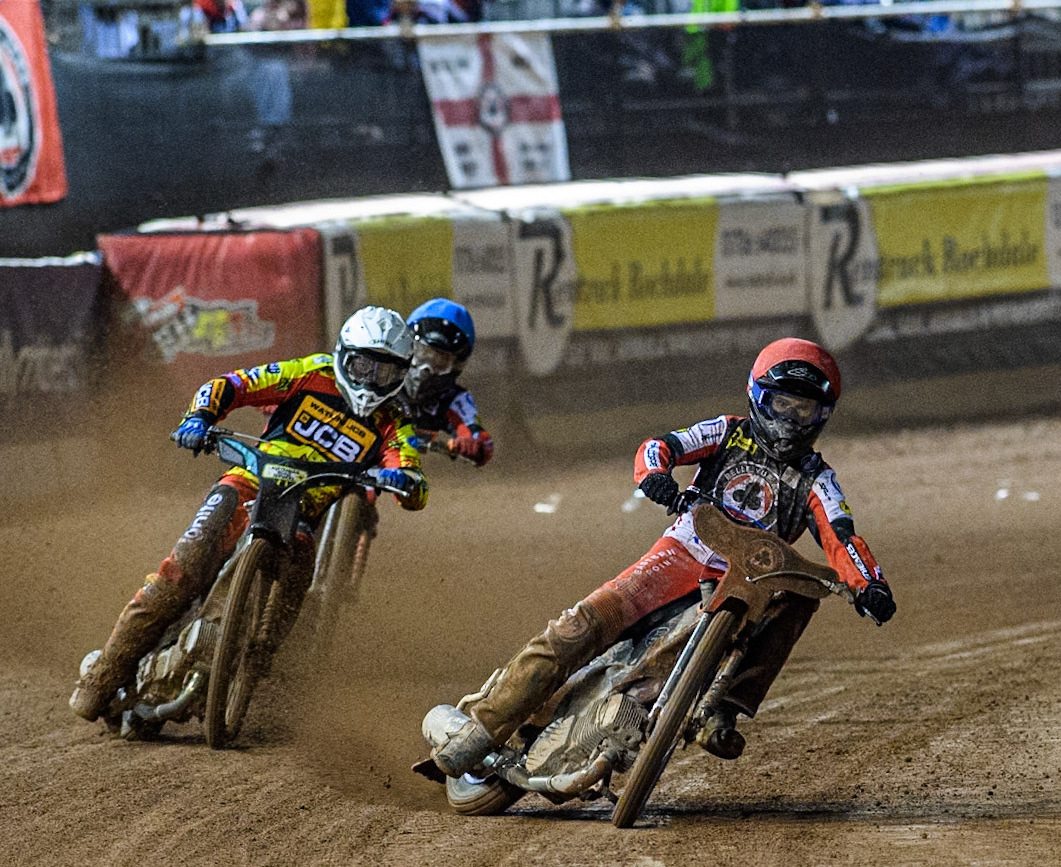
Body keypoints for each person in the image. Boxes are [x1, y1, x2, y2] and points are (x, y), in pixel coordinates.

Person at [425, 337, 895, 776]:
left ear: (822, 415)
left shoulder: (818, 479)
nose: (790, 420)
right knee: (579, 628)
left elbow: (842, 536)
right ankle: (480, 729)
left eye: (803, 409)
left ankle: (720, 709)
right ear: (758, 397)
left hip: (749, 584)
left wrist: (869, 584)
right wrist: (656, 476)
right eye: (782, 405)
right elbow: (662, 446)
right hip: (681, 554)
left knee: (799, 598)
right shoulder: (727, 432)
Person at [69, 305, 430, 723]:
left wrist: (406, 481)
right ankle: (102, 675)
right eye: (362, 366)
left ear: (401, 374)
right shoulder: (309, 372)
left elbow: (410, 471)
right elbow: (232, 384)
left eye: (384, 372)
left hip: (302, 513)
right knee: (182, 569)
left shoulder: (394, 420)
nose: (370, 381)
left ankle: (254, 666)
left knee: (297, 580)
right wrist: (199, 418)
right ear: (343, 356)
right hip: (247, 484)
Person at [401, 299, 494, 466]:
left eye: (440, 361)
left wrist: (473, 445)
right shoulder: (382, 370)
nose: (426, 368)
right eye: (422, 353)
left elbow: (482, 442)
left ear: (456, 365)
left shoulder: (452, 399)